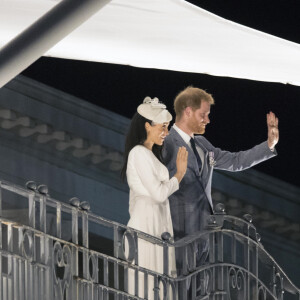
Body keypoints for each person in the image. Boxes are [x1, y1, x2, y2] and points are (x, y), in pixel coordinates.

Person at [163, 86, 279, 276]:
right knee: (180, 288)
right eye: (204, 114)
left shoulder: (202, 144)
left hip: (204, 233)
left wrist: (269, 145)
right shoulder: (167, 141)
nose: (208, 120)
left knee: (202, 290)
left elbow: (235, 161)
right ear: (188, 111)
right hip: (179, 231)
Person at [121, 96, 188, 299]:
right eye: (162, 126)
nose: (165, 133)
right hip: (146, 220)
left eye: (167, 127)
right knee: (147, 277)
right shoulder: (138, 153)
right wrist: (178, 175)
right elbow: (158, 193)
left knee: (160, 275)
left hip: (158, 221)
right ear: (147, 126)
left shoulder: (151, 156)